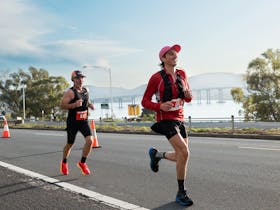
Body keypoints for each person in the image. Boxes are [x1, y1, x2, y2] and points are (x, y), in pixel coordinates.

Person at [141, 44, 193, 206]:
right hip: (165, 120)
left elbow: (188, 97)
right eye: (170, 54)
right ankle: (181, 193)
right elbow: (145, 101)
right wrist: (159, 106)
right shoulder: (156, 78)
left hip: (180, 119)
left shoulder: (182, 74)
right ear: (163, 59)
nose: (174, 55)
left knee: (180, 156)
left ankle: (157, 155)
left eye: (175, 53)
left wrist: (189, 95)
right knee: (185, 152)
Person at [60, 70, 94, 175]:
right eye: (78, 78)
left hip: (83, 121)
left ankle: (82, 163)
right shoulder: (70, 92)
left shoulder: (86, 90)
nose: (80, 80)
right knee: (70, 144)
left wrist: (89, 105)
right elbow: (62, 105)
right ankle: (64, 162)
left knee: (90, 141)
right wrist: (74, 105)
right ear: (73, 80)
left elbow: (86, 100)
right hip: (73, 122)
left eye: (82, 78)